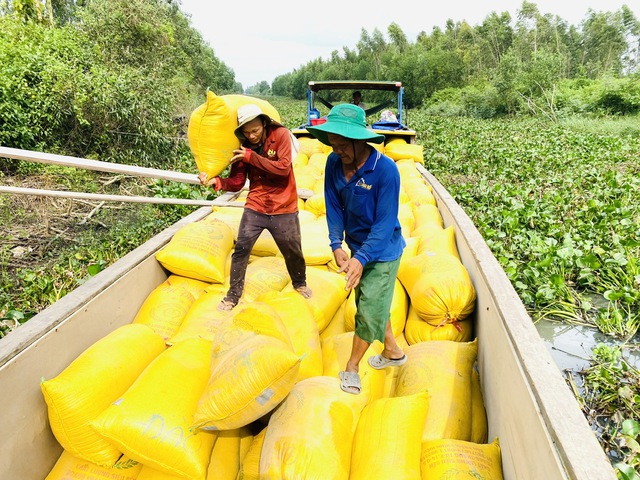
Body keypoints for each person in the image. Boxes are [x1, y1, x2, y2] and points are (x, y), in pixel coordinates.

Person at [307, 104, 406, 395]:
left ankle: (351, 367)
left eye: (342, 144)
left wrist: (361, 259)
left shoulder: (386, 171)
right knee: (373, 303)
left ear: (360, 140)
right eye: (332, 144)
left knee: (367, 310)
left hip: (383, 251)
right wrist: (336, 243)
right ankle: (393, 352)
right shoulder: (333, 163)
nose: (336, 150)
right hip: (355, 247)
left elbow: (385, 224)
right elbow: (333, 204)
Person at [198, 104, 312, 311]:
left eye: (255, 130)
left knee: (292, 250)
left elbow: (283, 168)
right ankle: (233, 295)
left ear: (264, 124)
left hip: (283, 205)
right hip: (256, 204)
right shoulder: (243, 147)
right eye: (246, 132)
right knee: (241, 249)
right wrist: (219, 182)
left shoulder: (281, 135)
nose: (251, 136)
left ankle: (299, 282)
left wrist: (252, 158)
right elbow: (237, 182)